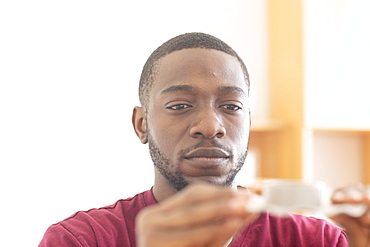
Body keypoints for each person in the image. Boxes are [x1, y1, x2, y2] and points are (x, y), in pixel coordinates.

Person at [39, 32, 367, 246]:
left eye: (230, 106)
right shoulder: (80, 240)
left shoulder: (319, 240)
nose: (210, 126)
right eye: (180, 105)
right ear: (141, 124)